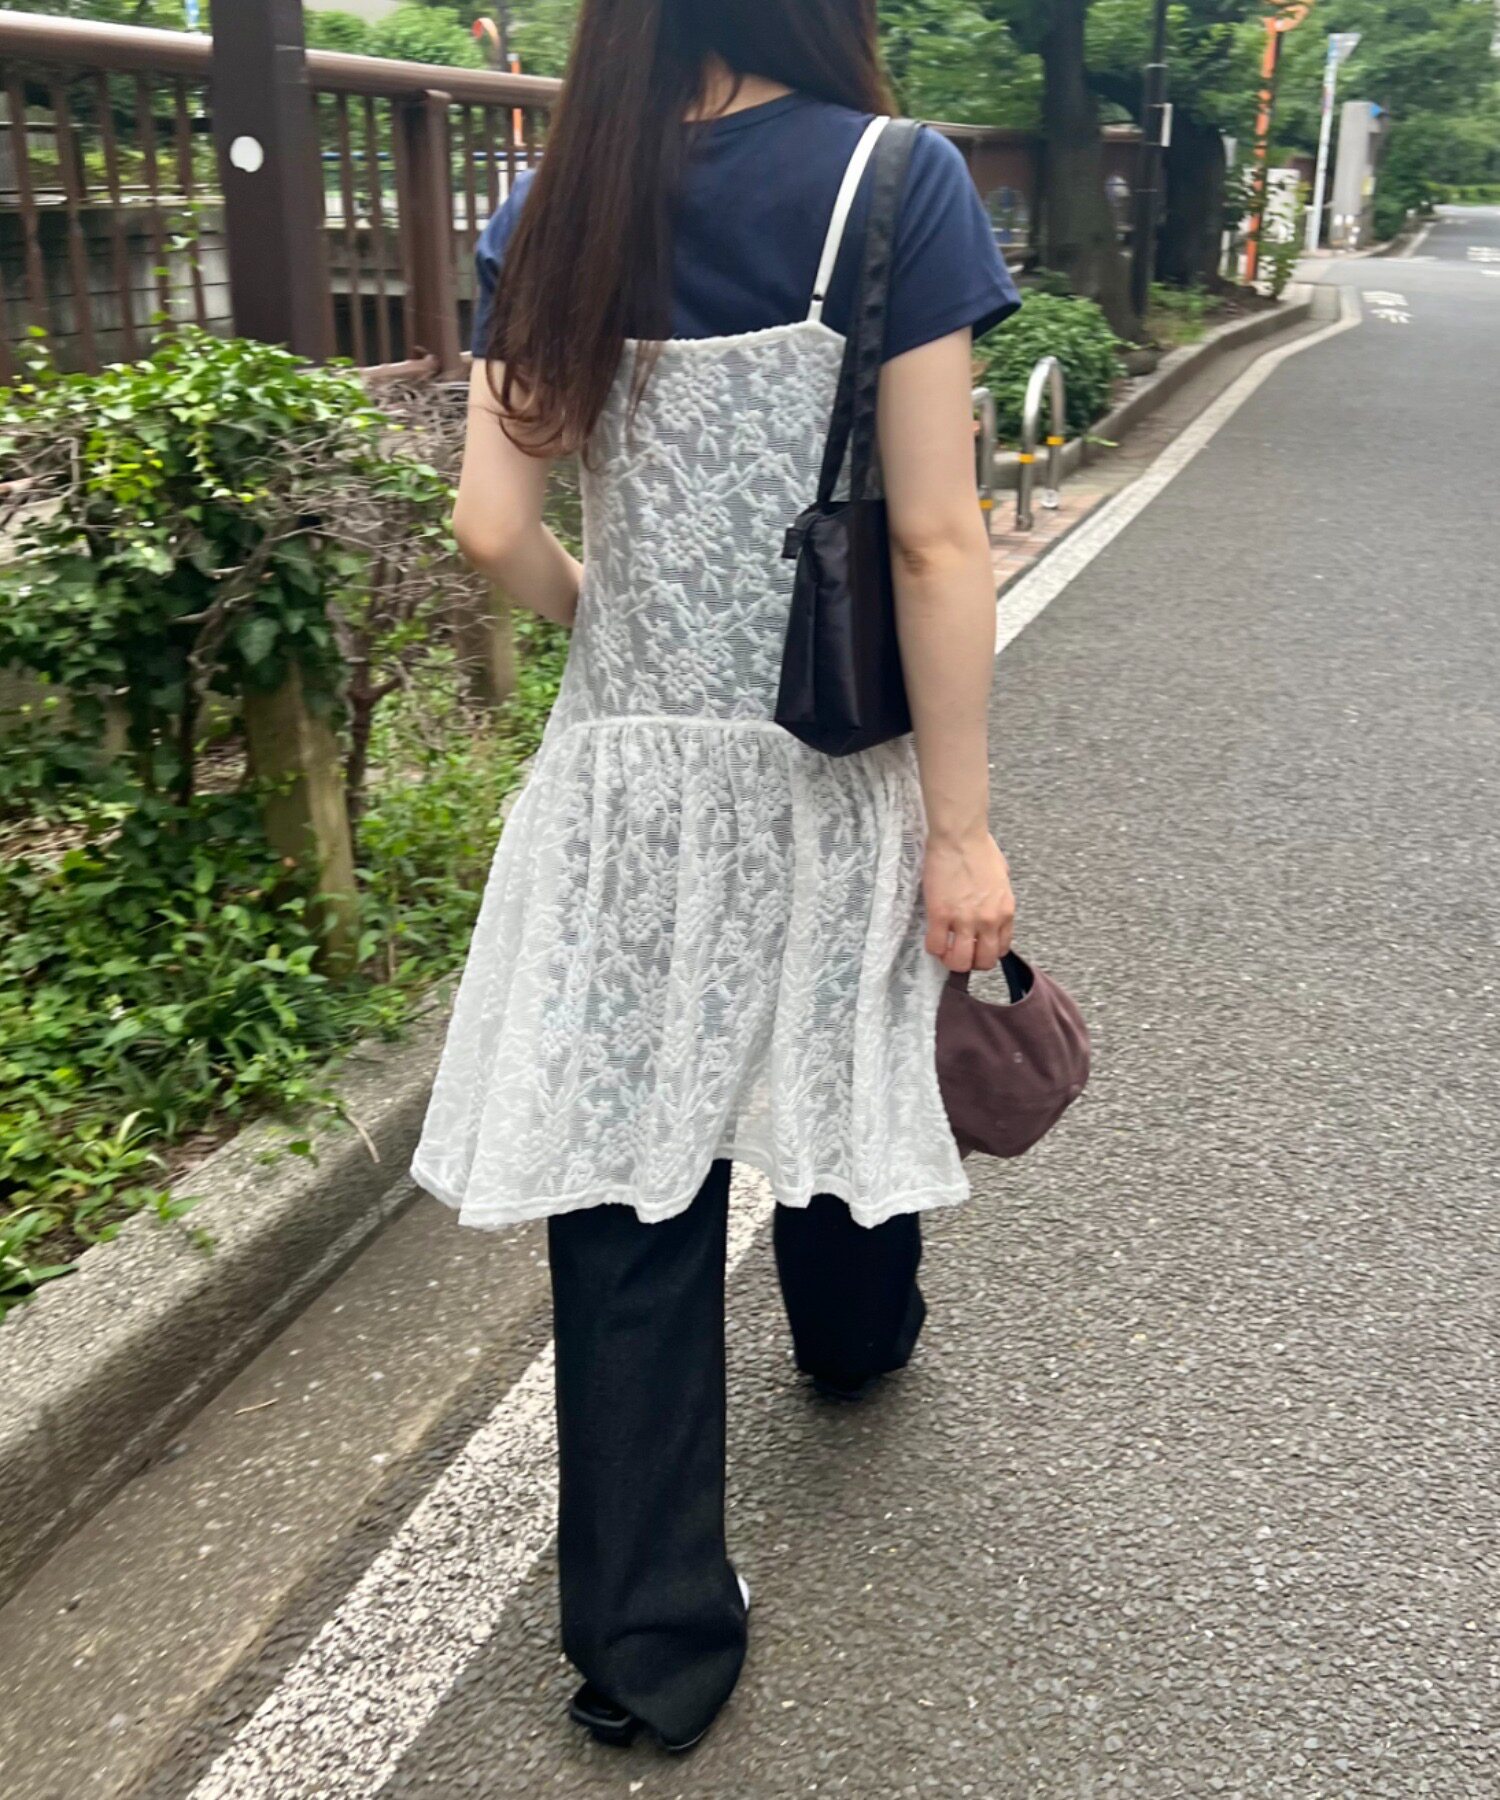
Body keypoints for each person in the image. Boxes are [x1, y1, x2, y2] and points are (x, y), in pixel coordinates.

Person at [410, 0, 1019, 1755]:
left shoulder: (557, 201)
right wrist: (963, 827)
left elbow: (491, 523)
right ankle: (853, 1335)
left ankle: (648, 1646)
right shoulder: (896, 181)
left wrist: (618, 638)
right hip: (825, 755)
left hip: (625, 779)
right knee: (835, 1031)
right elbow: (933, 537)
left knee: (629, 1163)